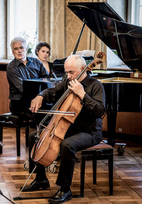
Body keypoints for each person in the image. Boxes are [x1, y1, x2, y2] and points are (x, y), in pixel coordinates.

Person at [23, 54, 106, 203]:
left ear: (82, 69)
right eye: (66, 72)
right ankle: (41, 179)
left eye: (71, 72)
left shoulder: (95, 85)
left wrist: (82, 94)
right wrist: (41, 96)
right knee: (33, 136)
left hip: (90, 131)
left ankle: (65, 189)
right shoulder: (68, 81)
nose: (67, 76)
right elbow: (53, 92)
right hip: (70, 129)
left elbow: (100, 111)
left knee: (67, 144)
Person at [7, 37, 49, 115]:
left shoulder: (36, 62)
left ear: (26, 49)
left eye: (21, 48)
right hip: (20, 102)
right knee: (44, 110)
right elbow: (22, 88)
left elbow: (47, 79)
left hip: (36, 97)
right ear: (13, 52)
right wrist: (39, 96)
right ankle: (42, 126)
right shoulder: (11, 67)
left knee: (53, 105)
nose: (19, 51)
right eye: (16, 49)